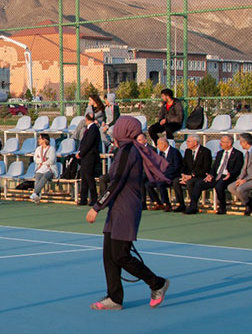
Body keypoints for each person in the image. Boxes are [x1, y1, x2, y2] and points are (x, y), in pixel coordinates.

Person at [86, 116, 170, 310]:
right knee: (109, 255)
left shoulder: (129, 150)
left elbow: (117, 182)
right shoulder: (124, 150)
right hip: (117, 209)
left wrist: (97, 207)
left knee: (121, 255)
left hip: (126, 210)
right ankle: (114, 298)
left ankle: (157, 283)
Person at [200, 135, 243, 215]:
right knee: (199, 183)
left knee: (219, 185)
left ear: (229, 143)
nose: (220, 143)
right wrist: (211, 175)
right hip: (217, 175)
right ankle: (193, 205)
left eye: (223, 142)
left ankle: (222, 206)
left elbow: (237, 169)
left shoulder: (238, 154)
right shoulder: (219, 153)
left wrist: (231, 174)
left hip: (228, 176)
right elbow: (214, 167)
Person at [172, 135, 212, 214]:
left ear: (195, 143)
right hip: (188, 175)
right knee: (176, 181)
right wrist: (183, 175)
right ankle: (181, 205)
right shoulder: (188, 151)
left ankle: (193, 206)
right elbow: (184, 165)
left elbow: (206, 168)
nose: (186, 143)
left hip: (200, 176)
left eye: (188, 141)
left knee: (191, 183)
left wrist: (191, 176)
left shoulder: (205, 152)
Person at [146, 137, 182, 212]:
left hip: (172, 176)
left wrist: (164, 175)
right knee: (148, 184)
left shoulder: (175, 152)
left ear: (164, 144)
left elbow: (176, 167)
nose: (157, 146)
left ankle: (167, 204)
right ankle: (158, 203)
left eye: (158, 144)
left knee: (160, 184)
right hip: (163, 176)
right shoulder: (161, 153)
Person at [77, 113, 102, 205]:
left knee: (89, 179)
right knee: (84, 178)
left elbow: (88, 144)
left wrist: (80, 153)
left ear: (86, 119)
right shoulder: (91, 129)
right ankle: (83, 198)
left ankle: (94, 198)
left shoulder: (93, 129)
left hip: (90, 157)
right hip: (86, 157)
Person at [29, 133, 57, 203]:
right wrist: (44, 160)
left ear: (44, 140)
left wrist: (41, 161)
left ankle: (34, 193)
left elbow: (51, 160)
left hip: (50, 169)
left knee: (45, 176)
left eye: (40, 138)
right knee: (37, 177)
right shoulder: (38, 149)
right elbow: (35, 159)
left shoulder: (51, 149)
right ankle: (36, 196)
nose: (38, 140)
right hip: (40, 168)